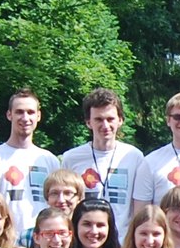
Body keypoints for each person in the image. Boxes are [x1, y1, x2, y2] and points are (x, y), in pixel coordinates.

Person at [0, 88, 60, 221]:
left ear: (38, 116)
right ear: (9, 115)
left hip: (44, 237)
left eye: (30, 112)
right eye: (19, 112)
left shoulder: (50, 160)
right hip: (7, 238)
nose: (25, 118)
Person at [58, 87, 143, 215]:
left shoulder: (134, 157)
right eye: (98, 119)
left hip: (123, 234)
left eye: (110, 119)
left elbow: (140, 204)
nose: (105, 125)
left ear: (120, 120)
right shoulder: (71, 158)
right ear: (88, 122)